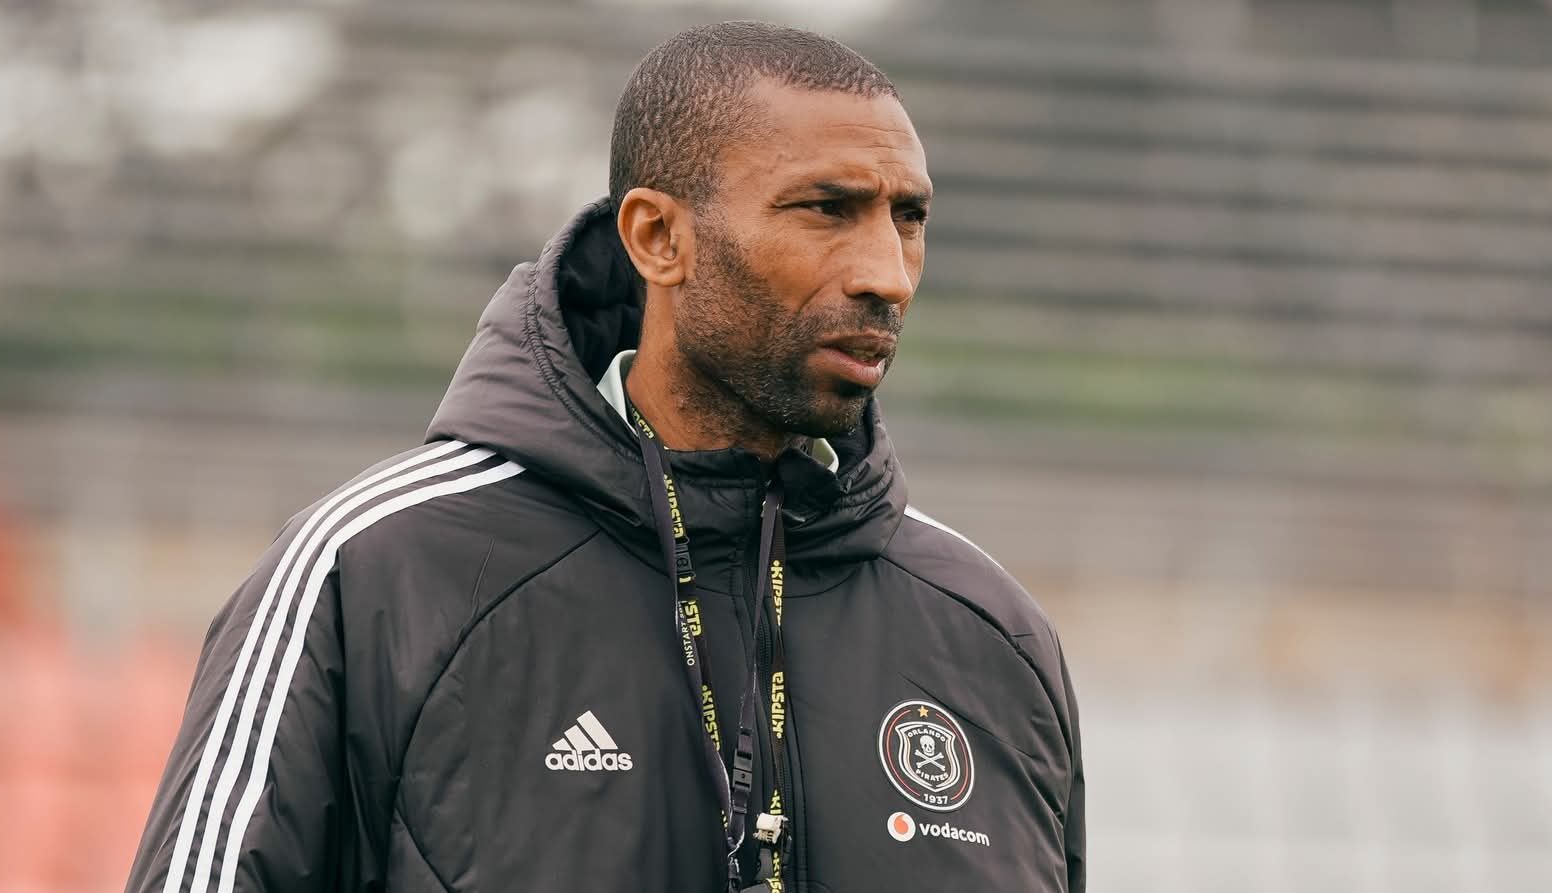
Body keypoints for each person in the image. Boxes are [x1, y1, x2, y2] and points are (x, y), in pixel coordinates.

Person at [126, 21, 1084, 893]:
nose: (886, 274)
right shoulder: (374, 574)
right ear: (658, 238)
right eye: (827, 209)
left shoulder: (993, 638)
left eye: (908, 217)